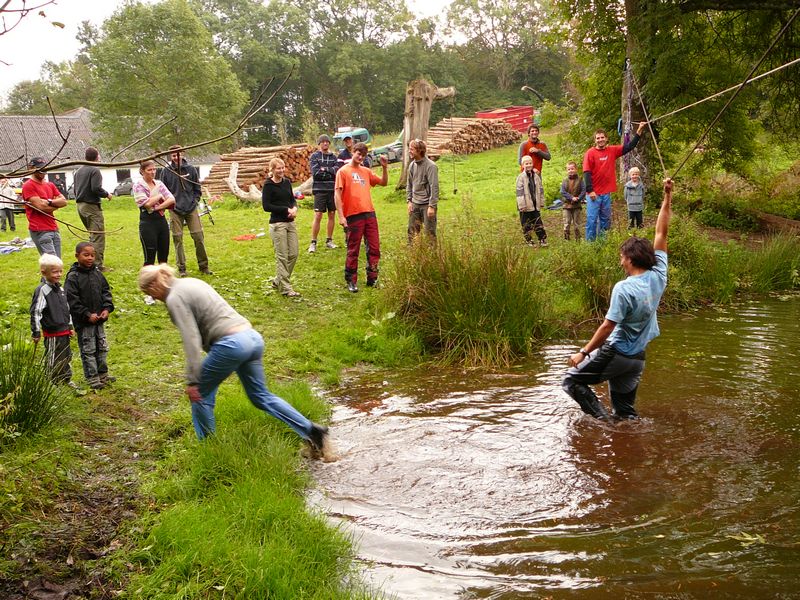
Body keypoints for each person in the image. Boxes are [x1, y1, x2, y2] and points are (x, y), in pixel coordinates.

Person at [137, 264, 330, 454]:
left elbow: (191, 338)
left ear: (155, 285)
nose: (153, 298)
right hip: (252, 338)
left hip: (231, 345)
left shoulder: (174, 298)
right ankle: (312, 431)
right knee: (261, 396)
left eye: (149, 293)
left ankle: (210, 452)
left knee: (199, 395)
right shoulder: (191, 282)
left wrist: (193, 379)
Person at [561, 178, 673, 422]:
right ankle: (626, 443)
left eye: (622, 257)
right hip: (637, 359)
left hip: (617, 352)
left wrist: (583, 352)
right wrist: (667, 196)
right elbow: (661, 231)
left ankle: (605, 426)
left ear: (631, 260)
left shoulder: (623, 288)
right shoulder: (659, 274)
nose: (620, 261)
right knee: (626, 414)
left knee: (570, 381)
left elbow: (608, 326)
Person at [335, 143, 388, 293]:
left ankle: (373, 278)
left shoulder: (366, 171)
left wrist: (384, 168)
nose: (360, 157)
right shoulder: (343, 172)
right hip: (353, 215)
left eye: (363, 156)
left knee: (374, 247)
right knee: (353, 249)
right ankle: (351, 280)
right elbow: (337, 195)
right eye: (358, 154)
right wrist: (341, 216)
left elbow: (383, 183)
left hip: (369, 213)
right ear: (353, 152)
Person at [582, 122, 647, 241]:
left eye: (602, 137)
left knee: (605, 220)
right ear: (595, 140)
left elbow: (629, 147)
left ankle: (603, 242)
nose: (600, 140)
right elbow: (586, 173)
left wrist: (639, 131)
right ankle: (590, 245)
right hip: (594, 194)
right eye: (598, 138)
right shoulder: (590, 153)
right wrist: (590, 190)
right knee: (592, 220)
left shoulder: (612, 150)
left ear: (606, 139)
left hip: (606, 193)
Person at [65, 242, 115, 390]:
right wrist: (87, 314)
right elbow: (72, 300)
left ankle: (103, 374)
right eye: (86, 255)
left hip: (99, 320)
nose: (90, 258)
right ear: (77, 256)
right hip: (84, 322)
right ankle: (92, 378)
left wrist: (107, 308)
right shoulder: (73, 277)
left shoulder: (97, 273)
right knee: (88, 349)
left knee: (102, 347)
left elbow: (106, 291)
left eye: (92, 255)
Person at [161, 145, 212, 276]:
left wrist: (194, 201)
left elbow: (197, 188)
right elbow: (162, 191)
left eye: (178, 154)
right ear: (170, 156)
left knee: (198, 236)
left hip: (191, 208)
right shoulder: (166, 172)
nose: (176, 157)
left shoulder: (191, 169)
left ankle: (204, 266)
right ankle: (182, 268)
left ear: (183, 154)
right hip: (174, 209)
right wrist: (169, 205)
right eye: (173, 155)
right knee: (177, 239)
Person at [30, 253, 73, 385]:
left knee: (66, 355)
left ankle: (66, 378)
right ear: (44, 272)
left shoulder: (60, 288)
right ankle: (52, 381)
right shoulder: (42, 290)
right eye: (55, 272)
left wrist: (70, 326)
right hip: (52, 332)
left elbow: (66, 308)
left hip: (64, 330)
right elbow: (36, 312)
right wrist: (36, 332)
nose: (59, 274)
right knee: (53, 357)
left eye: (60, 271)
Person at [262, 158, 300, 297]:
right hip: (277, 224)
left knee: (294, 254)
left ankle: (278, 280)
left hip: (290, 222)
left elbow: (292, 199)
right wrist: (286, 210)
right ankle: (286, 288)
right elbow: (266, 206)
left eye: (283, 167)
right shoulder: (268, 185)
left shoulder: (287, 182)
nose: (282, 170)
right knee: (282, 256)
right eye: (278, 168)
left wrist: (294, 208)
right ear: (272, 170)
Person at [74, 147, 113, 271]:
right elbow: (95, 188)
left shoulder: (78, 171)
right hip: (91, 206)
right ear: (97, 157)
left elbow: (75, 190)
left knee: (92, 235)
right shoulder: (95, 170)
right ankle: (97, 265)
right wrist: (107, 194)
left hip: (80, 206)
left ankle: (87, 261)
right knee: (98, 236)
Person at [21, 157, 67, 257]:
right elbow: (41, 207)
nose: (43, 171)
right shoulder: (28, 186)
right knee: (51, 265)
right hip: (40, 230)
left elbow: (64, 201)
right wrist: (56, 205)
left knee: (57, 263)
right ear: (30, 168)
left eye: (45, 168)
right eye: (39, 168)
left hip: (54, 228)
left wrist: (49, 202)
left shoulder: (50, 185)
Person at [132, 160, 175, 268]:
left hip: (161, 221)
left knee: (164, 256)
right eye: (149, 170)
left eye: (154, 169)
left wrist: (157, 208)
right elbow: (146, 204)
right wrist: (160, 196)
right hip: (147, 222)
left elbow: (171, 199)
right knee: (149, 258)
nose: (152, 172)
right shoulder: (138, 185)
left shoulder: (159, 184)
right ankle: (147, 282)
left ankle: (163, 281)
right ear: (142, 171)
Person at [308, 134, 340, 253]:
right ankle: (313, 242)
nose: (325, 143)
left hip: (332, 189)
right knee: (318, 215)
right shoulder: (314, 156)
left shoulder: (333, 157)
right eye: (323, 142)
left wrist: (325, 169)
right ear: (319, 144)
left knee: (332, 214)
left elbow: (337, 171)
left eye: (327, 142)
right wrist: (329, 172)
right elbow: (316, 173)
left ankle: (329, 240)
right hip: (319, 190)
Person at [406, 138, 439, 242]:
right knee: (412, 232)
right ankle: (413, 255)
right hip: (415, 204)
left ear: (419, 150)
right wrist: (409, 201)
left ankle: (432, 256)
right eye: (409, 149)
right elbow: (409, 184)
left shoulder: (431, 166)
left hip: (426, 205)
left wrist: (432, 206)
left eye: (411, 149)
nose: (409, 151)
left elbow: (434, 187)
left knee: (429, 233)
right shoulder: (412, 165)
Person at [515, 155, 548, 247]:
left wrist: (541, 202)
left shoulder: (536, 176)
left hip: (535, 204)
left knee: (538, 222)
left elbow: (540, 190)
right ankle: (529, 240)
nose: (528, 165)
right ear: (522, 165)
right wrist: (522, 206)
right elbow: (519, 193)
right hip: (525, 206)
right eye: (526, 164)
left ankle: (542, 239)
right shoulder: (521, 178)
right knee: (526, 224)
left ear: (532, 164)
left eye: (530, 163)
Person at [560, 161, 585, 241]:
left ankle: (578, 238)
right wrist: (571, 197)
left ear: (576, 169)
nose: (571, 170)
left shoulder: (580, 180)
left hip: (577, 205)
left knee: (577, 223)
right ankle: (566, 238)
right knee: (567, 223)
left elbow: (583, 191)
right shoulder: (565, 181)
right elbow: (563, 191)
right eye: (569, 169)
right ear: (567, 170)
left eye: (572, 169)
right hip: (566, 206)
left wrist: (578, 198)